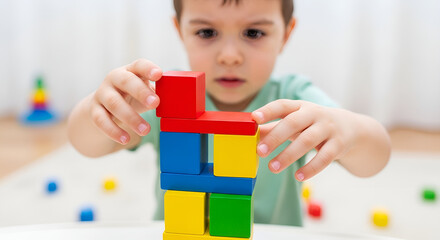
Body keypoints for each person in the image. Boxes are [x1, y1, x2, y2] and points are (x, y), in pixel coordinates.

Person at [67, 0, 391, 226]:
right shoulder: (161, 99)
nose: (230, 56)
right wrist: (98, 109)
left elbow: (376, 156)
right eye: (207, 33)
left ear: (286, 34)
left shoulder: (294, 98)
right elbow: (86, 144)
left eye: (254, 33)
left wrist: (351, 132)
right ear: (180, 30)